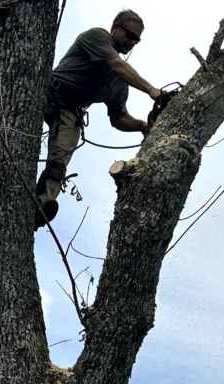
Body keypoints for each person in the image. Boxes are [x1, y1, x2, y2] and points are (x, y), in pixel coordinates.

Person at [35, 9, 161, 228]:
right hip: (47, 93)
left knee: (59, 161)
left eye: (136, 40)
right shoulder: (97, 37)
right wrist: (151, 90)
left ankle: (40, 206)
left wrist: (141, 126)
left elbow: (118, 117)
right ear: (116, 28)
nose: (132, 42)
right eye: (129, 35)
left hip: (70, 111)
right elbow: (116, 64)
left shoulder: (119, 82)